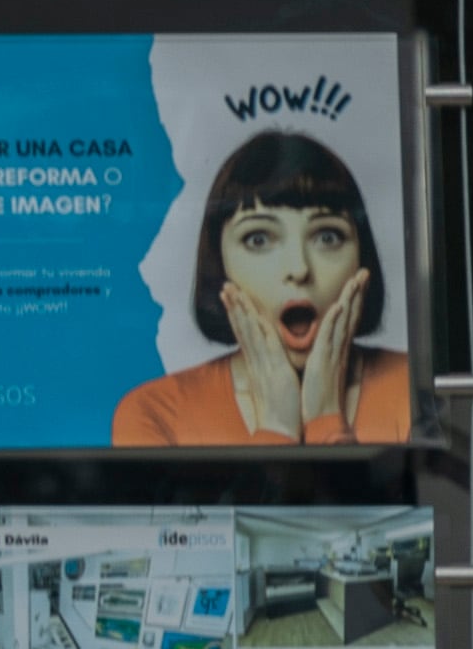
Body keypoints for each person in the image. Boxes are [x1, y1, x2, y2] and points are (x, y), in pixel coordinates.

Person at [114, 132, 412, 445]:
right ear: (221, 264)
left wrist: (326, 421)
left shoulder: (413, 390)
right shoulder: (154, 413)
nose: (298, 268)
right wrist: (276, 427)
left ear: (361, 261)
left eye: (327, 237)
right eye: (259, 239)